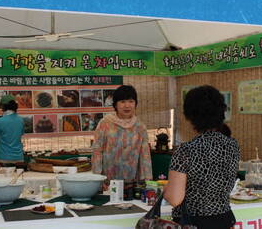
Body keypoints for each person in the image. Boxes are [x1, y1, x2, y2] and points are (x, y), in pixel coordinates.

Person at [164, 85, 240, 229]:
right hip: (224, 220)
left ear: (191, 115)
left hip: (193, 222)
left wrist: (166, 189)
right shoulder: (232, 145)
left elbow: (174, 199)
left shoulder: (186, 150)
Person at [91, 85, 152, 191]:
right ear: (115, 104)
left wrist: (147, 181)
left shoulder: (140, 126)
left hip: (132, 184)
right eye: (122, 101)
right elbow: (97, 151)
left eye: (131, 101)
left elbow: (145, 155)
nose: (127, 105)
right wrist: (98, 179)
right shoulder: (105, 123)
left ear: (135, 104)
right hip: (108, 184)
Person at [0, 95, 25, 165]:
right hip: (19, 158)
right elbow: (20, 135)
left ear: (3, 106)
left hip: (3, 157)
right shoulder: (21, 120)